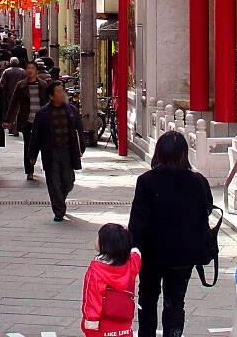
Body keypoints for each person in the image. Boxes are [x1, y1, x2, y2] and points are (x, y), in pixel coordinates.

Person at [128, 131, 213, 337]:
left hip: (151, 255)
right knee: (176, 301)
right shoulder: (198, 181)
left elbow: (137, 222)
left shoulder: (146, 181)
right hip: (184, 255)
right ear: (185, 153)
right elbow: (207, 209)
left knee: (147, 298)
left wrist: (132, 251)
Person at [29, 81, 85, 220]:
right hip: (51, 152)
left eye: (62, 91)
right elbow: (35, 135)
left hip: (67, 151)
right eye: (58, 92)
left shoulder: (72, 111)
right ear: (51, 96)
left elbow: (79, 131)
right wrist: (32, 154)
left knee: (68, 180)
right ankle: (59, 211)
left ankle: (60, 199)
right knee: (53, 181)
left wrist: (81, 147)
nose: (62, 94)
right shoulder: (43, 114)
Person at [81, 224, 142, 337]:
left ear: (106, 245)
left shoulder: (96, 271)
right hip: (124, 321)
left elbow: (92, 297)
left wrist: (91, 321)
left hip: (102, 324)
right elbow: (136, 254)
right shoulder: (131, 264)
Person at [5, 61, 48, 180]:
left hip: (41, 121)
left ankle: (45, 167)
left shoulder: (43, 85)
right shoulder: (21, 85)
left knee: (43, 145)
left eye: (32, 68)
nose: (30, 70)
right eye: (28, 68)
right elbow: (14, 103)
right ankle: (29, 170)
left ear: (37, 71)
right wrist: (8, 119)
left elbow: (48, 103)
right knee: (28, 146)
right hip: (27, 120)